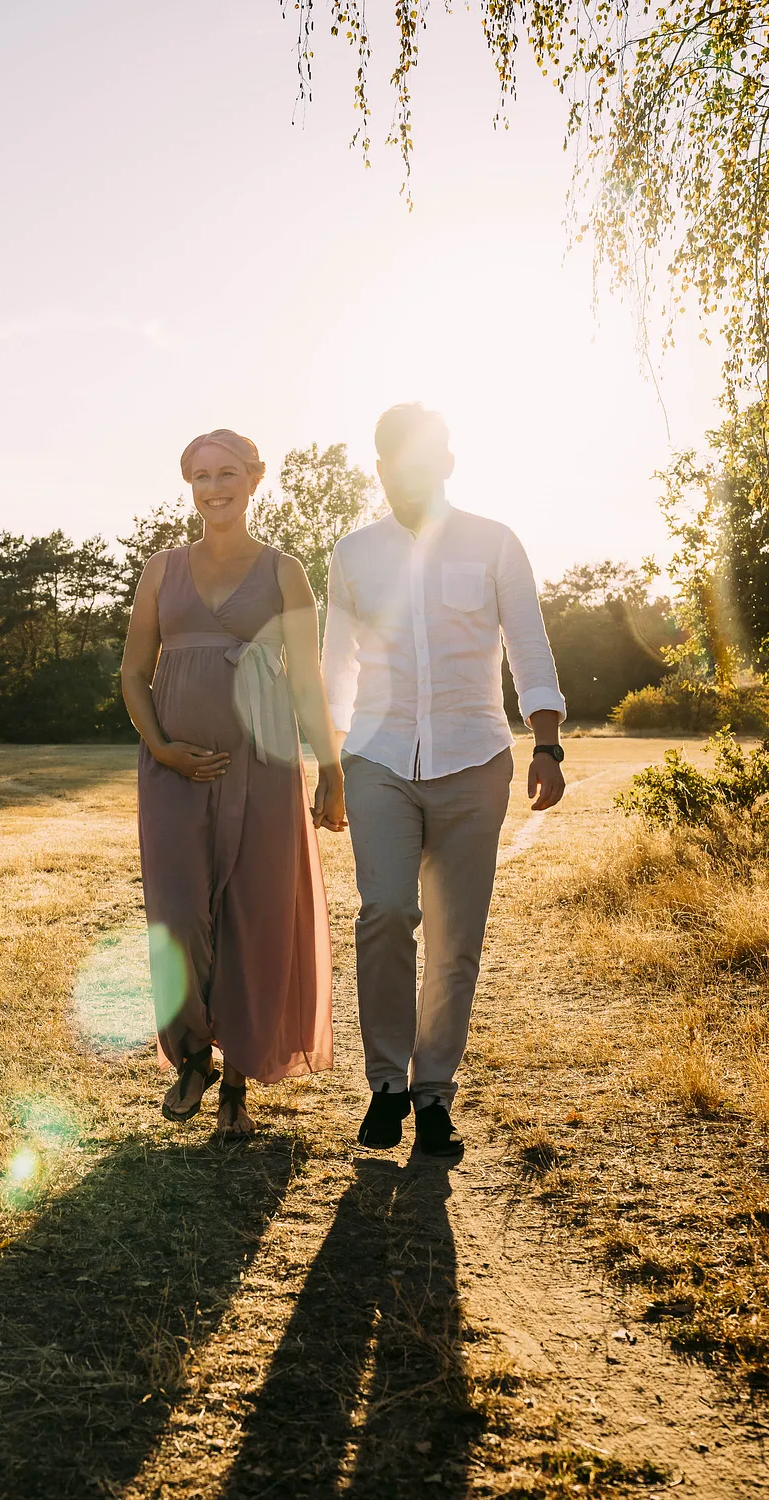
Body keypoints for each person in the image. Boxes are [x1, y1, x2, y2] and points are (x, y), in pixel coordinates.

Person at [321, 404, 566, 1156]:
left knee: (456, 939)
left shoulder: (494, 543)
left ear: (448, 464)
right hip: (378, 757)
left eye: (423, 461)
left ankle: (433, 1096)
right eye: (394, 463)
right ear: (380, 470)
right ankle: (386, 1085)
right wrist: (329, 763)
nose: (407, 475)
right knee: (387, 913)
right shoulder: (354, 553)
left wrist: (547, 742)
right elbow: (337, 663)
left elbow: (527, 640)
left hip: (473, 758)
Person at [121, 428, 345, 1137]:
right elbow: (133, 671)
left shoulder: (286, 571)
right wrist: (162, 748)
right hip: (172, 769)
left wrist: (331, 766)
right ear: (189, 486)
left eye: (226, 475)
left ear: (254, 479)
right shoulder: (162, 570)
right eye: (200, 477)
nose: (213, 489)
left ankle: (238, 1087)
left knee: (255, 916)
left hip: (266, 762)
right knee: (179, 916)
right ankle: (192, 1055)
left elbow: (306, 681)